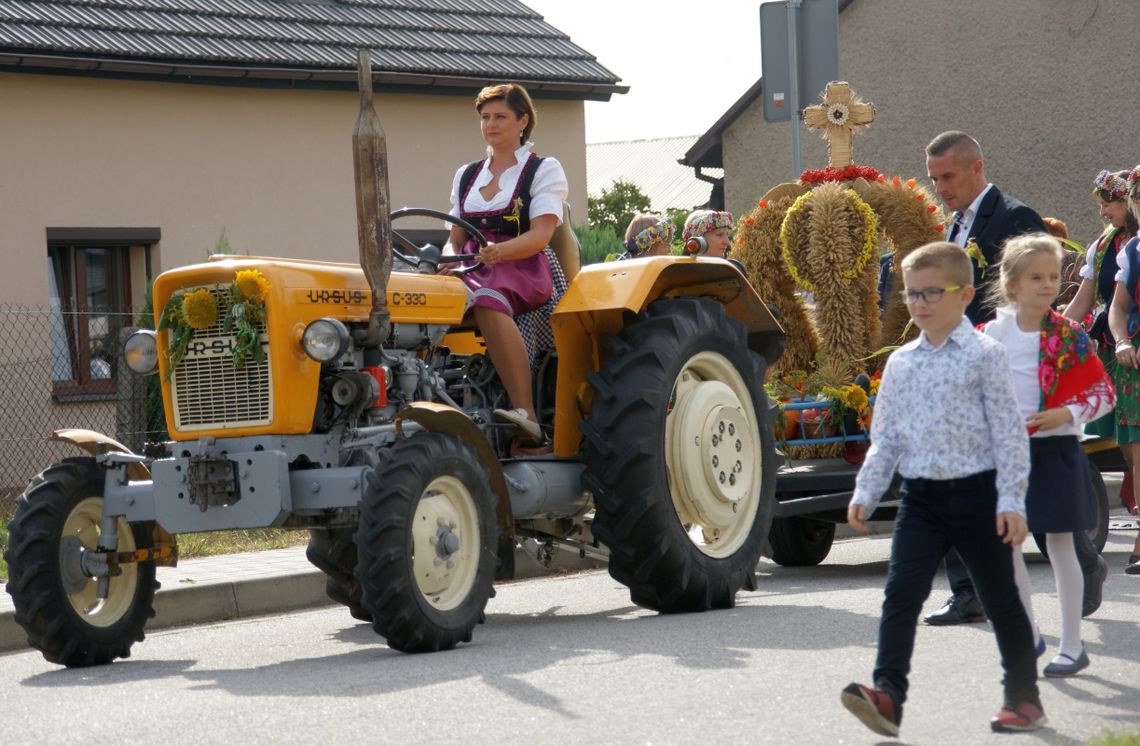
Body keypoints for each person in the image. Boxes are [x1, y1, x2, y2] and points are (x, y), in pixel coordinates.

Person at [841, 241, 1043, 736]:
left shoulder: (985, 355)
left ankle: (1024, 698)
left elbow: (1008, 433)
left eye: (933, 292)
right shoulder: (902, 363)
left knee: (999, 600)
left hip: (979, 496)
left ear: (965, 294)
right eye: (912, 294)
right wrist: (865, 491)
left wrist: (1011, 501)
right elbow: (886, 435)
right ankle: (888, 696)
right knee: (900, 595)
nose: (920, 303)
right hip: (922, 499)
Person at [922, 131, 1050, 625]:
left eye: (948, 177)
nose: (941, 188)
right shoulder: (952, 226)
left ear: (976, 168)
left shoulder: (1016, 218)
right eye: (934, 179)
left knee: (1031, 480)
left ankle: (1077, 553)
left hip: (1002, 371)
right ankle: (967, 592)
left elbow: (1034, 298)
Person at [981, 234, 1114, 678]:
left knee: (1060, 545)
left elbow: (1103, 393)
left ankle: (1072, 644)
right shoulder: (990, 336)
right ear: (1012, 283)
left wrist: (1067, 411)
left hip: (1057, 451)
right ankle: (1029, 634)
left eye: (1053, 276)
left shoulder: (1068, 335)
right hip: (1008, 455)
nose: (1047, 285)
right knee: (1008, 546)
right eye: (1036, 277)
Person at [444, 82, 568, 445]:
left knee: (487, 299)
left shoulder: (543, 169)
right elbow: (453, 242)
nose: (491, 124)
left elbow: (540, 236)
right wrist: (448, 262)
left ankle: (525, 412)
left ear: (522, 121)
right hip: (473, 265)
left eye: (500, 116)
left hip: (523, 263)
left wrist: (500, 251)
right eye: (485, 117)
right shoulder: (466, 175)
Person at [1105, 164, 1140, 575]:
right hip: (1134, 363)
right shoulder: (1132, 250)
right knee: (1135, 455)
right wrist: (1124, 340)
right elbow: (1119, 307)